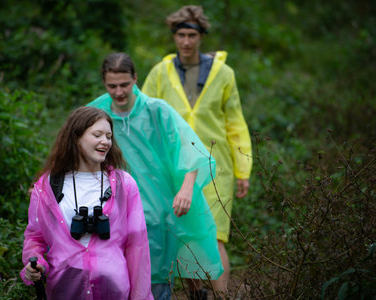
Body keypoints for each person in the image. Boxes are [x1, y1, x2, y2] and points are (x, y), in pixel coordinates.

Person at [87, 53, 223, 300]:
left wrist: (187, 187)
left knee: (157, 278)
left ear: (136, 79)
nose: (119, 92)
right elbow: (70, 151)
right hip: (112, 210)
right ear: (104, 83)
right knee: (116, 279)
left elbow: (190, 148)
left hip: (157, 210)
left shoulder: (157, 111)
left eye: (125, 85)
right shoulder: (94, 113)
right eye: (112, 86)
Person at [142, 5, 253, 296]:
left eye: (192, 35)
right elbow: (146, 119)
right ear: (174, 36)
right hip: (174, 167)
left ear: (201, 36)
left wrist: (244, 170)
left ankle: (222, 295)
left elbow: (235, 122)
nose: (186, 41)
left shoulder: (223, 73)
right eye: (181, 35)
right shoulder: (160, 72)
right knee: (186, 235)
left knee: (215, 236)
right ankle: (196, 293)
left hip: (218, 166)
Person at [20, 106, 153, 299]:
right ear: (76, 138)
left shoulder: (125, 185)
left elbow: (137, 247)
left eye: (108, 136)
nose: (105, 141)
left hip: (114, 291)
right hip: (64, 290)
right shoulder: (47, 187)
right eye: (97, 134)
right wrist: (36, 264)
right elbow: (35, 237)